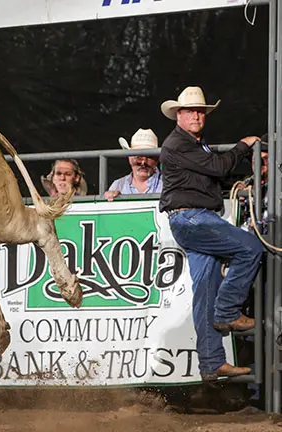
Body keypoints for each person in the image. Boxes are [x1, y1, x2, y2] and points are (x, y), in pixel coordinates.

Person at [158, 86, 263, 382]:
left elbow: (211, 172)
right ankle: (229, 311)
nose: (196, 115)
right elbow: (218, 167)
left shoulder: (192, 144)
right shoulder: (179, 144)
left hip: (190, 218)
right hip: (192, 217)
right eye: (191, 111)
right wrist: (243, 145)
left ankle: (212, 362)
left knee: (205, 289)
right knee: (250, 248)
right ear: (178, 115)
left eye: (200, 111)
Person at [105, 128, 163, 201]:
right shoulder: (117, 185)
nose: (143, 162)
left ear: (157, 159)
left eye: (149, 157)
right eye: (138, 157)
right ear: (130, 157)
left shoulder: (169, 184)